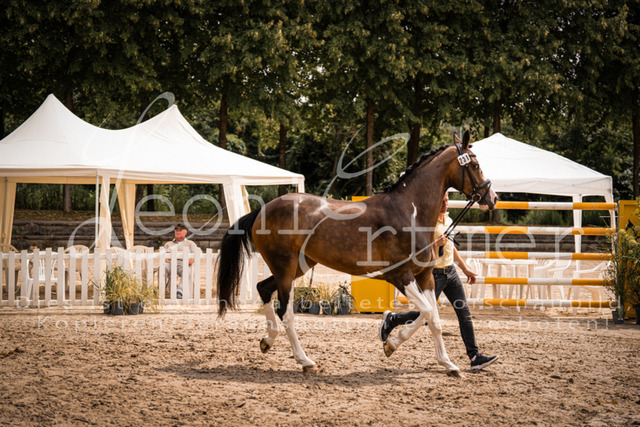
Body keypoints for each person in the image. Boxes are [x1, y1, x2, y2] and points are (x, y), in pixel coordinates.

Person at [379, 192, 499, 370]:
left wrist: (464, 268)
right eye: (442, 201)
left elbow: (451, 247)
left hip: (451, 273)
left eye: (447, 201)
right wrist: (435, 243)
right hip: (432, 274)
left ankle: (474, 356)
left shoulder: (448, 220)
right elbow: (416, 249)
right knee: (425, 315)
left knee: (464, 314)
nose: (444, 204)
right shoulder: (426, 222)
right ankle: (393, 319)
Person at [164, 223, 199, 299]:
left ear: (185, 232)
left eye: (180, 230)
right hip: (170, 263)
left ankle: (179, 291)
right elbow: (162, 254)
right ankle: (161, 288)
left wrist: (192, 259)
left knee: (186, 270)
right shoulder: (168, 244)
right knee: (163, 267)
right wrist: (165, 258)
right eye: (176, 230)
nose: (177, 232)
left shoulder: (190, 243)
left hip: (183, 263)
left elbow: (198, 253)